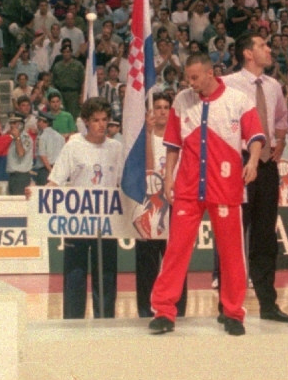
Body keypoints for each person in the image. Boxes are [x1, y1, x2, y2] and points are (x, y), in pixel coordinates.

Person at [148, 54, 264, 336]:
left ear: (211, 73)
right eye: (188, 77)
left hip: (225, 187)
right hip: (188, 187)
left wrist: (252, 162)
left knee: (232, 253)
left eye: (195, 77)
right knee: (176, 250)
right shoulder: (182, 101)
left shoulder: (238, 100)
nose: (190, 82)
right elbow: (173, 144)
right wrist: (168, 177)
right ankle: (164, 310)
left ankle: (233, 312)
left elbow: (256, 136)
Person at [225, 32, 288, 322]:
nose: (269, 49)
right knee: (234, 235)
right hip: (238, 162)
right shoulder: (227, 84)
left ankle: (268, 304)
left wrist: (281, 138)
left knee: (265, 236)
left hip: (266, 165)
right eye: (263, 45)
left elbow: (280, 119)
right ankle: (228, 306)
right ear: (248, 53)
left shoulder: (274, 85)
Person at [47, 97, 124, 319]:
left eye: (104, 120)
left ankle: (105, 320)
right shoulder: (73, 145)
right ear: (86, 122)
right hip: (77, 222)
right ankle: (72, 322)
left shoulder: (116, 148)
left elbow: (125, 184)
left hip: (107, 222)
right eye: (96, 120)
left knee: (107, 275)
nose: (101, 125)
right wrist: (38, 195)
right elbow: (56, 180)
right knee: (74, 275)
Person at [135, 93, 187, 318]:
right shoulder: (144, 138)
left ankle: (178, 308)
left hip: (175, 203)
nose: (163, 111)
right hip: (149, 203)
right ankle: (146, 310)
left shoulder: (180, 139)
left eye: (167, 107)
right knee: (147, 262)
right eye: (158, 107)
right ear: (151, 111)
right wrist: (147, 134)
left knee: (175, 260)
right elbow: (147, 171)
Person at [33, 111, 64, 186]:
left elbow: (43, 155)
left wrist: (50, 171)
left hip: (46, 171)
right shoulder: (60, 136)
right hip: (58, 170)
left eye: (39, 121)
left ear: (45, 123)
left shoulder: (42, 136)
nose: (37, 123)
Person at [6, 113, 33, 196]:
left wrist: (18, 137)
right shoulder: (12, 138)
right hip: (12, 176)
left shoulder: (25, 138)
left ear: (21, 125)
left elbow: (21, 153)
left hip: (21, 176)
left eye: (14, 123)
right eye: (10, 123)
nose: (11, 125)